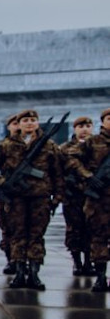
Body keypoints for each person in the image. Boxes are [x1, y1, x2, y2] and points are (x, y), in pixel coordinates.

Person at [0, 109, 64, 290]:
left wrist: (57, 197)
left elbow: (58, 173)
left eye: (33, 120)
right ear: (18, 124)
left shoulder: (49, 146)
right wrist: (2, 182)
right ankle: (20, 272)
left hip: (39, 198)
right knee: (18, 235)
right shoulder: (5, 146)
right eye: (25, 120)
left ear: (38, 123)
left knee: (36, 236)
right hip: (15, 199)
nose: (29, 123)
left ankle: (34, 273)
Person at [71, 108, 110, 291]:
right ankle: (101, 277)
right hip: (99, 199)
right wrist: (87, 176)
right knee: (98, 238)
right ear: (103, 122)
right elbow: (72, 159)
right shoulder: (93, 142)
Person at [0, 113, 22, 273]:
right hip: (8, 196)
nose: (17, 126)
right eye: (13, 123)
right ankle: (11, 260)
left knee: (29, 232)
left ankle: (26, 264)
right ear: (8, 127)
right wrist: (1, 181)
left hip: (31, 195)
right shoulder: (2, 146)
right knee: (8, 229)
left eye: (18, 123)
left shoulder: (37, 147)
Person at [61, 117, 95, 276]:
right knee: (74, 229)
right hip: (72, 196)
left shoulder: (97, 147)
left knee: (92, 229)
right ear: (74, 129)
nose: (85, 129)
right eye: (81, 126)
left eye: (88, 126)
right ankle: (77, 262)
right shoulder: (65, 149)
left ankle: (89, 262)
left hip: (94, 196)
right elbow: (57, 171)